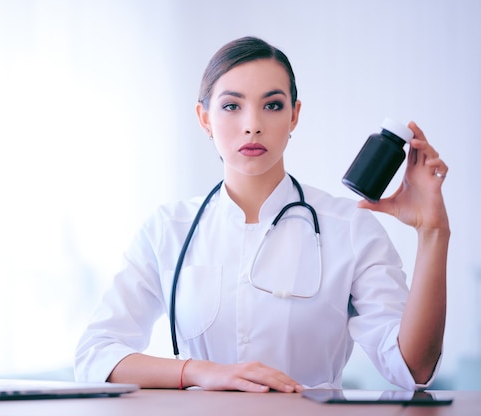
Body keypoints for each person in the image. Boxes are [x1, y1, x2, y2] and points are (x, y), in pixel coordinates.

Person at [74, 36, 449, 393]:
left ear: (294, 116)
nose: (252, 124)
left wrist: (433, 233)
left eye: (272, 105)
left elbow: (412, 370)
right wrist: (201, 373)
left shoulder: (349, 228)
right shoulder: (167, 229)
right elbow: (96, 355)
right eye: (231, 106)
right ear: (204, 119)